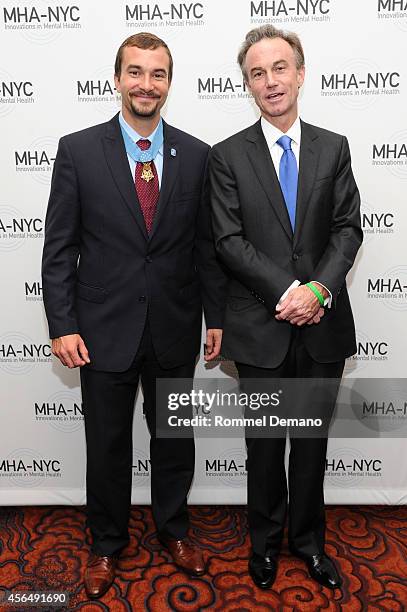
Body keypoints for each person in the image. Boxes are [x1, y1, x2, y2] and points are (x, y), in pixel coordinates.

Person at [42, 33, 226, 599]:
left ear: (170, 82)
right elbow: (58, 248)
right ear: (117, 78)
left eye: (159, 74)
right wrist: (63, 325)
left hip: (173, 324)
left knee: (175, 439)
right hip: (101, 330)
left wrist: (214, 317)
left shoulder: (197, 155)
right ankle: (105, 543)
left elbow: (206, 247)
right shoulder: (77, 150)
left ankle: (173, 530)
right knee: (107, 444)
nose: (147, 84)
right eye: (137, 72)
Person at [209, 25, 362, 591]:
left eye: (279, 68)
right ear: (247, 84)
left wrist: (317, 291)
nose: (270, 81)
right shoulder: (227, 156)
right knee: (265, 449)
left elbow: (347, 229)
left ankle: (310, 544)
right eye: (257, 73)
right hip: (261, 328)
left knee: (312, 448)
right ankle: (264, 545)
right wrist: (287, 293)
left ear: (300, 73)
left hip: (322, 325)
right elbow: (228, 241)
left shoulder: (334, 146)